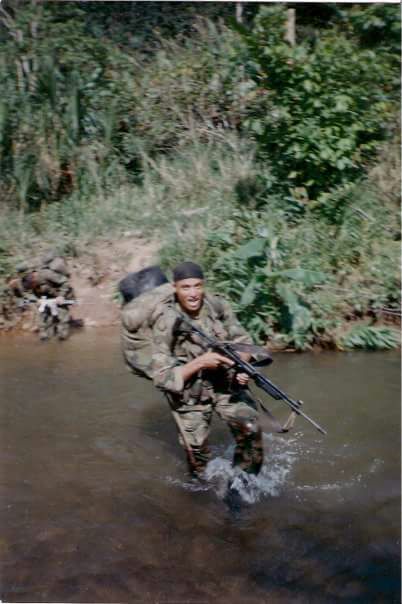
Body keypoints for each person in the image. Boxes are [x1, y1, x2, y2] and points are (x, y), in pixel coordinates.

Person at [151, 261, 264, 480]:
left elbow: (244, 342)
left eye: (198, 286)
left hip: (225, 385)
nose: (193, 293)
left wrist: (242, 366)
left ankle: (243, 484)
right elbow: (162, 378)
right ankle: (202, 496)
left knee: (250, 427)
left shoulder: (217, 307)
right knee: (198, 460)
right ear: (175, 288)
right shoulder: (165, 322)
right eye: (186, 287)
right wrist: (200, 363)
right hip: (189, 396)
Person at [19, 253, 76, 340]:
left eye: (33, 286)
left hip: (59, 294)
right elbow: (26, 293)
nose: (32, 288)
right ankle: (45, 337)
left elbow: (65, 282)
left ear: (34, 279)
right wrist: (36, 300)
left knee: (62, 316)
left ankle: (62, 337)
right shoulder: (25, 282)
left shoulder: (47, 274)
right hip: (44, 298)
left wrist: (61, 296)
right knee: (43, 317)